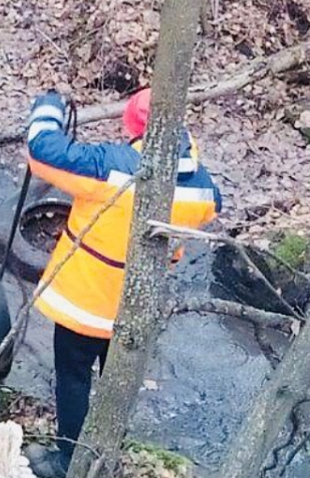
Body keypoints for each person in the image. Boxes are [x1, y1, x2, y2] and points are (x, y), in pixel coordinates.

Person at [21, 89, 222, 477]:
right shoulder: (203, 190)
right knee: (117, 383)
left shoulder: (110, 167)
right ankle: (106, 453)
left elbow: (42, 150)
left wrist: (48, 107)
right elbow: (211, 208)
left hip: (86, 305)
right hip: (137, 310)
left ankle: (71, 462)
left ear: (131, 126)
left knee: (74, 378)